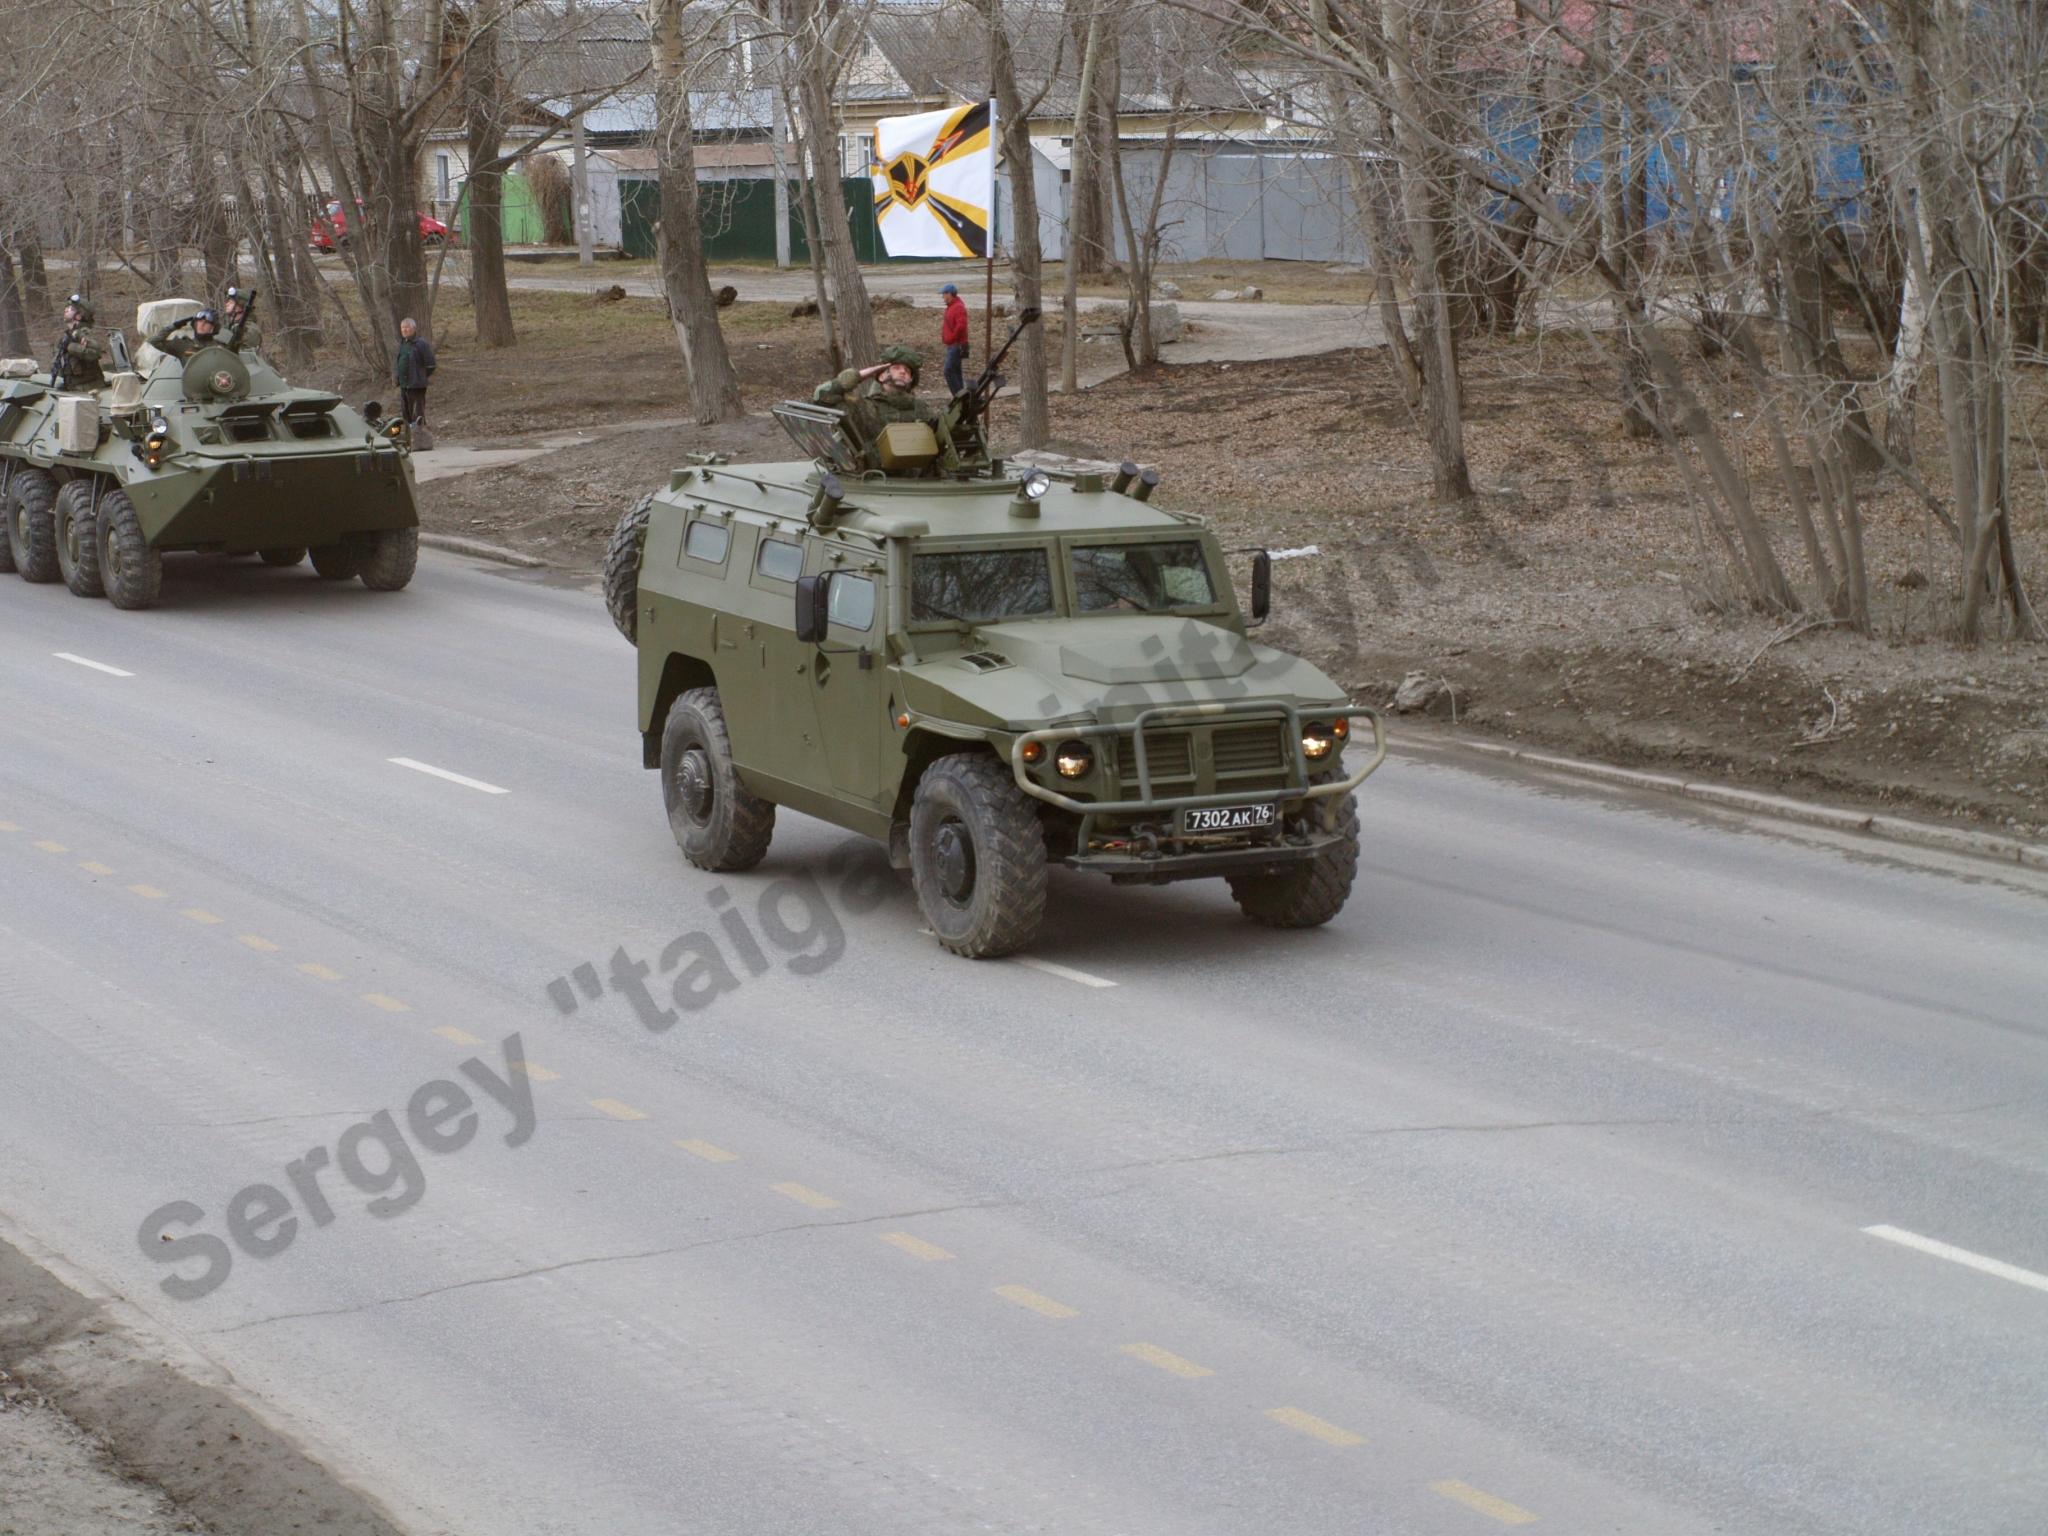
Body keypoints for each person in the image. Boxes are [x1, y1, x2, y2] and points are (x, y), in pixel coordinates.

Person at [813, 343, 935, 451]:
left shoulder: (923, 410)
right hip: (876, 475)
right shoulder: (865, 408)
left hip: (920, 476)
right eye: (896, 368)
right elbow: (821, 396)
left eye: (907, 371)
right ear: (881, 376)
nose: (903, 372)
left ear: (911, 380)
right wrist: (860, 375)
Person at [49, 294, 105, 391]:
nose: (66, 309)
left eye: (71, 308)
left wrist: (70, 347)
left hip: (90, 389)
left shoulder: (84, 333)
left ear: (78, 316)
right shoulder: (67, 336)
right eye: (66, 307)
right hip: (74, 388)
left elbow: (95, 352)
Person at [394, 317, 436, 431]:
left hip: (417, 385)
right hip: (404, 384)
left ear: (413, 328)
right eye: (402, 327)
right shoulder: (403, 343)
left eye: (407, 327)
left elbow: (431, 364)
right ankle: (408, 435)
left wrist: (421, 376)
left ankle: (420, 434)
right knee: (405, 410)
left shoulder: (421, 343)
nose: (404, 330)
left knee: (418, 412)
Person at [146, 308, 223, 361]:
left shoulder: (220, 348)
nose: (201, 325)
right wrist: (174, 326)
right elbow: (153, 342)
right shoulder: (183, 345)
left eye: (206, 323)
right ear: (195, 324)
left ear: (212, 328)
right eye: (199, 321)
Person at [939, 282, 970, 397]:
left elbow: (961, 326)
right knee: (956, 371)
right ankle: (962, 395)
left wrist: (951, 338)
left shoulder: (957, 307)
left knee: (949, 371)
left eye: (944, 294)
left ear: (950, 294)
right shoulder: (952, 306)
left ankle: (958, 396)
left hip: (956, 344)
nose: (942, 296)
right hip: (953, 344)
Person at [220, 286, 261, 354]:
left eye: (231, 302)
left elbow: (244, 353)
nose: (226, 304)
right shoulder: (229, 326)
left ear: (240, 306)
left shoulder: (252, 330)